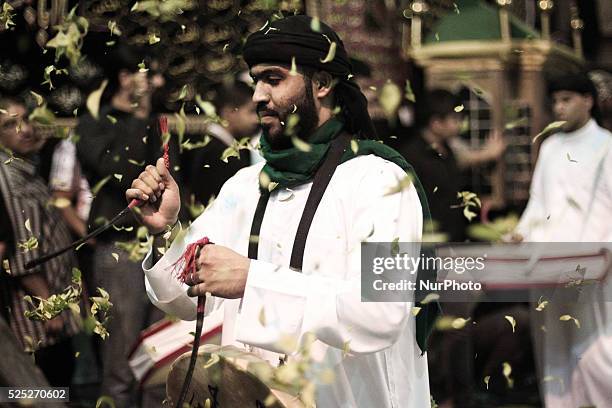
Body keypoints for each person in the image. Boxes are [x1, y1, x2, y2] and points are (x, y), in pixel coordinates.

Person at [127, 15, 433, 407]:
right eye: (256, 80)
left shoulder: (383, 182)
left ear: (322, 84)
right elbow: (185, 301)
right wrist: (166, 231)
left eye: (273, 79)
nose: (257, 95)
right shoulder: (244, 186)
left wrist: (253, 280)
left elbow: (382, 314)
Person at [75, 46, 179, 407]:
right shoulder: (94, 123)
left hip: (162, 248)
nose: (159, 82)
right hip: (120, 250)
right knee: (120, 358)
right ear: (125, 78)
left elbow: (171, 176)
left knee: (161, 354)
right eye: (150, 74)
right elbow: (116, 171)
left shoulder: (160, 123)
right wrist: (139, 114)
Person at [514, 72, 612, 407]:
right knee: (550, 343)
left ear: (589, 101)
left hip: (592, 262)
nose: (559, 107)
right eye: (555, 100)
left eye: (567, 99)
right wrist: (521, 232)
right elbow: (538, 202)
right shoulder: (551, 146)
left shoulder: (607, 146)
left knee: (596, 345)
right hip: (545, 260)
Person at [0, 97, 82, 386]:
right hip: (36, 318)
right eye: (10, 124)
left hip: (52, 308)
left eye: (26, 118)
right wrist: (48, 306)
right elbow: (22, 251)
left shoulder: (24, 168)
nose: (25, 129)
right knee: (47, 392)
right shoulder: (8, 176)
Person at [402, 89, 505, 242]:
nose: (460, 124)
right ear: (436, 123)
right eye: (455, 118)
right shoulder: (412, 157)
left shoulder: (447, 148)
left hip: (453, 235)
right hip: (428, 238)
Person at [184, 80, 259, 207]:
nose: (256, 119)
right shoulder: (219, 155)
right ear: (229, 112)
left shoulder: (204, 144)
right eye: (251, 111)